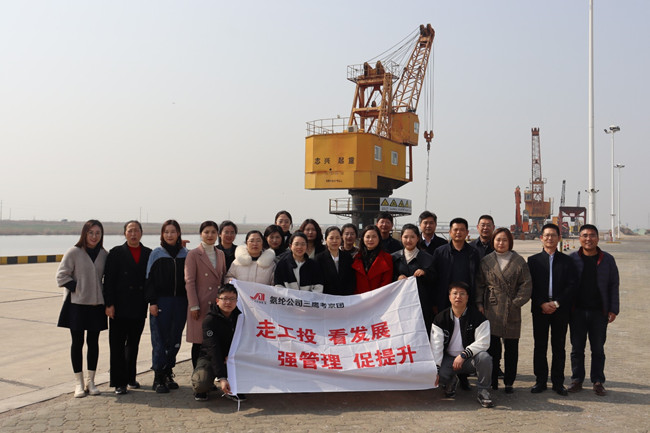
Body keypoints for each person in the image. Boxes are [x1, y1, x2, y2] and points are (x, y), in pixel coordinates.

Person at [476, 227, 532, 393]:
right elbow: (479, 284)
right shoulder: (486, 261)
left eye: (504, 240)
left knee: (511, 348)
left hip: (512, 309)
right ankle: (492, 380)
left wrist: (516, 303)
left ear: (510, 242)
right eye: (498, 239)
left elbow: (526, 285)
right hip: (491, 308)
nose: (501, 243)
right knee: (492, 348)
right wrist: (479, 304)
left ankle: (509, 382)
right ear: (493, 241)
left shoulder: (519, 261)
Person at [56, 219, 108, 398]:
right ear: (84, 234)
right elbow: (61, 276)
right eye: (90, 233)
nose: (94, 236)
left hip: (96, 305)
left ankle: (90, 381)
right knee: (77, 343)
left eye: (98, 233)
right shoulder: (74, 252)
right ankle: (78, 383)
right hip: (76, 305)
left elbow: (108, 279)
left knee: (93, 343)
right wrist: (78, 288)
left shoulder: (104, 254)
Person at [568, 224, 620, 396]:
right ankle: (577, 380)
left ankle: (598, 381)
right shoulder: (572, 259)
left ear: (597, 238)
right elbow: (566, 285)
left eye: (592, 235)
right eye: (584, 235)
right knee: (577, 349)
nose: (588, 239)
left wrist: (613, 309)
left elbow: (613, 285)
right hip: (577, 312)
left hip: (599, 312)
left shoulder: (607, 259)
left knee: (598, 349)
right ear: (579, 238)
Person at [527, 223, 578, 395]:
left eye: (553, 235)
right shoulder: (533, 261)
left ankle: (558, 382)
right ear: (541, 238)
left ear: (559, 238)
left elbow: (571, 285)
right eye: (546, 235)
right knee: (540, 346)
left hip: (560, 310)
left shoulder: (567, 261)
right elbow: (530, 286)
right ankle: (540, 381)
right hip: (540, 309)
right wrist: (542, 303)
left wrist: (557, 303)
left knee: (559, 346)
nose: (550, 238)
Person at [103, 220, 152, 395]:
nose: (133, 234)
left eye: (136, 230)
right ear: (125, 233)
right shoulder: (116, 253)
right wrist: (109, 304)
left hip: (138, 305)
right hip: (119, 306)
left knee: (133, 344)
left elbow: (151, 280)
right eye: (130, 231)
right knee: (117, 345)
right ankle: (119, 382)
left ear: (141, 233)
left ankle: (131, 377)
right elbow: (108, 281)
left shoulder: (148, 253)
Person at [431, 282, 494, 408]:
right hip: (449, 360)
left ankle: (483, 390)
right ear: (449, 297)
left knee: (485, 358)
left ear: (467, 297)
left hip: (469, 359)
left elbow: (483, 342)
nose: (458, 297)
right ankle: (451, 381)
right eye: (454, 293)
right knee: (439, 374)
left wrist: (464, 355)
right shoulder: (440, 318)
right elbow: (436, 345)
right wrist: (436, 370)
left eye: (462, 294)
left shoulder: (478, 317)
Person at [145, 220, 189, 393]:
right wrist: (152, 302)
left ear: (178, 234)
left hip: (181, 302)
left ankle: (168, 372)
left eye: (173, 231)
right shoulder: (156, 254)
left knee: (175, 339)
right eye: (166, 232)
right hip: (161, 302)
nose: (170, 235)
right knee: (159, 340)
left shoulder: (186, 254)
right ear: (162, 235)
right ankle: (158, 376)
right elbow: (149, 280)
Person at [185, 220, 227, 393]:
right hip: (200, 305)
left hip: (217, 306)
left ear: (217, 234)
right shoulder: (193, 254)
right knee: (199, 342)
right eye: (206, 232)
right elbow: (189, 281)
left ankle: (211, 379)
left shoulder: (220, 254)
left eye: (213, 232)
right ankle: (198, 381)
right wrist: (193, 305)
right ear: (201, 234)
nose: (210, 235)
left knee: (214, 342)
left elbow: (223, 278)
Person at [191, 284, 245, 402]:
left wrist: (233, 356)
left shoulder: (240, 318)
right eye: (225, 298)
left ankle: (233, 388)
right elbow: (213, 349)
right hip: (210, 357)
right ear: (217, 301)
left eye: (232, 299)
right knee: (201, 383)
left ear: (237, 301)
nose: (228, 302)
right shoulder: (209, 320)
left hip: (232, 358)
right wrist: (222, 377)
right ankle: (206, 385)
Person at [392, 224, 435, 334]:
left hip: (421, 304)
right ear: (401, 238)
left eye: (412, 237)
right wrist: (397, 278)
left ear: (418, 238)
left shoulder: (427, 258)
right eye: (405, 237)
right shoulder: (394, 258)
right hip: (400, 303)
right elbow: (388, 279)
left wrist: (425, 273)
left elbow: (435, 279)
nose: (408, 240)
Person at [431, 217, 481, 312]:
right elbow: (434, 278)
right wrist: (434, 302)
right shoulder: (440, 252)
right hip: (444, 300)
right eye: (455, 229)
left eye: (462, 230)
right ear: (450, 232)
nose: (458, 232)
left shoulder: (473, 253)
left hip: (467, 300)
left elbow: (478, 277)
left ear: (467, 232)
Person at [352, 225, 394, 294]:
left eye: (374, 236)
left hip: (379, 297)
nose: (370, 239)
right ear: (363, 239)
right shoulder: (356, 257)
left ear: (379, 238)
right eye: (367, 237)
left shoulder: (387, 258)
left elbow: (386, 282)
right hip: (358, 298)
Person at [315, 226, 356, 295]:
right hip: (326, 297)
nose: (334, 241)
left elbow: (351, 280)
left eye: (337, 238)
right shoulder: (319, 259)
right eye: (331, 238)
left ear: (341, 239)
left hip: (345, 297)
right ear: (326, 240)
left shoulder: (347, 257)